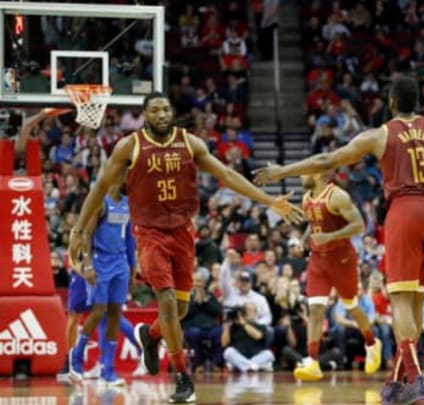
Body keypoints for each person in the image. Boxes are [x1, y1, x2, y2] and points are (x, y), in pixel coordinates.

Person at [254, 76, 424, 404]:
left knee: (401, 302)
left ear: (391, 103)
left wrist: (282, 172)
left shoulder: (380, 134)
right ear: (417, 101)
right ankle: (397, 382)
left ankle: (417, 382)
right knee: (418, 298)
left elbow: (327, 161)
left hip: (405, 211)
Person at [68, 92, 302, 404]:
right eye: (155, 110)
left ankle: (149, 337)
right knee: (166, 303)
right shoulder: (130, 146)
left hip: (183, 232)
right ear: (145, 115)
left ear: (172, 112)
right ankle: (182, 376)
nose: (162, 114)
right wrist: (79, 229)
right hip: (150, 233)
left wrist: (271, 201)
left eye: (166, 109)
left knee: (178, 311)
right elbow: (99, 186)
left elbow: (227, 175)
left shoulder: (189, 142)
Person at [293, 172, 381, 381]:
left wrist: (329, 236)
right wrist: (304, 242)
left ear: (320, 173)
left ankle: (371, 342)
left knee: (351, 306)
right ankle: (313, 361)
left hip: (342, 260)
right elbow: (313, 224)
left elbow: (359, 225)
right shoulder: (307, 198)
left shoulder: (338, 196)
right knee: (315, 309)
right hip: (318, 260)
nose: (301, 175)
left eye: (306, 171)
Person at [67, 177, 143, 385]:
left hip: (120, 263)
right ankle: (77, 357)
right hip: (100, 262)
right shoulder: (101, 202)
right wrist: (88, 265)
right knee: (99, 312)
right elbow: (87, 236)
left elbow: (129, 238)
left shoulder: (128, 204)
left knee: (115, 315)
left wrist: (133, 267)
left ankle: (108, 370)